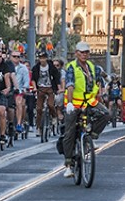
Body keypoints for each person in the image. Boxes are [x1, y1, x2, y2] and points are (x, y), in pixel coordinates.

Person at [58, 42, 110, 178]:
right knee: (69, 133)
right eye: (81, 52)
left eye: (86, 52)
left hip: (89, 102)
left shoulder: (92, 67)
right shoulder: (71, 68)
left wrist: (108, 78)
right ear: (76, 53)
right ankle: (68, 165)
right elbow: (70, 86)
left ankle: (91, 138)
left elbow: (101, 72)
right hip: (74, 103)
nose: (84, 54)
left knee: (106, 114)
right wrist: (69, 103)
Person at [31, 50, 62, 136]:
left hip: (50, 89)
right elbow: (33, 79)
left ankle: (54, 117)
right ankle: (38, 127)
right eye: (40, 58)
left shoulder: (51, 67)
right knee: (39, 109)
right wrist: (34, 87)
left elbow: (57, 78)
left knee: (51, 105)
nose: (42, 60)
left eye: (44, 58)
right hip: (40, 89)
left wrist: (58, 88)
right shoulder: (36, 68)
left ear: (46, 58)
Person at [11, 51, 30, 134]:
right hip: (9, 89)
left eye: (18, 57)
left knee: (19, 102)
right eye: (14, 56)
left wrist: (25, 88)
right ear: (10, 57)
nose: (16, 58)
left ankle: (19, 124)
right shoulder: (6, 66)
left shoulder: (23, 68)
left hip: (20, 90)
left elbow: (26, 80)